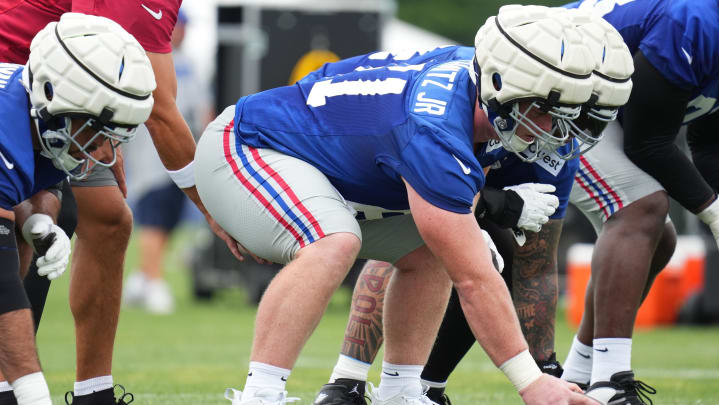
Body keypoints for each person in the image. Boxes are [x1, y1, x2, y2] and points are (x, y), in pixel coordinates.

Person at [196, 6, 598, 405]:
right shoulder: (433, 127)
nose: (552, 129)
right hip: (249, 144)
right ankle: (261, 394)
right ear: (503, 86)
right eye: (544, 109)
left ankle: (401, 393)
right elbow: (474, 281)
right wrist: (532, 382)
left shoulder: (474, 81)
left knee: (431, 250)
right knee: (334, 241)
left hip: (324, 170)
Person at [312, 6, 635, 405]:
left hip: (451, 169)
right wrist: (495, 204)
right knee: (413, 240)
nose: (567, 130)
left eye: (588, 117)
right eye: (563, 109)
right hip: (374, 162)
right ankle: (346, 382)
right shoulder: (459, 90)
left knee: (493, 257)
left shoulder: (556, 142)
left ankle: (424, 388)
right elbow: (426, 188)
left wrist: (546, 369)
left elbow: (535, 262)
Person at [0, 1, 246, 403]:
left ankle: (93, 393)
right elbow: (160, 109)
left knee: (107, 218)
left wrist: (104, 139)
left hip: (65, 100)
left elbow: (130, 81)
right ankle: (10, 387)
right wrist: (213, 209)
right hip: (30, 92)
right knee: (20, 231)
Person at [559, 0, 719, 404]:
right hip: (544, 94)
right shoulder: (698, 23)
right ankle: (609, 382)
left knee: (659, 237)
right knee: (642, 208)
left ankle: (580, 375)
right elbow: (647, 142)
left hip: (597, 107)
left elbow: (708, 148)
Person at [0, 13, 155, 405]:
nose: (105, 152)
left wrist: (38, 222)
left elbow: (35, 189)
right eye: (100, 133)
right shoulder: (9, 126)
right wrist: (34, 393)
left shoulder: (41, 111)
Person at [122, 8, 213, 315]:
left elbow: (202, 108)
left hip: (182, 151)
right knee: (153, 217)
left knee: (169, 220)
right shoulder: (141, 56)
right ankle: (154, 281)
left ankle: (141, 278)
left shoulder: (188, 63)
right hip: (150, 154)